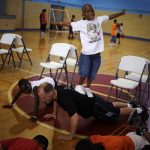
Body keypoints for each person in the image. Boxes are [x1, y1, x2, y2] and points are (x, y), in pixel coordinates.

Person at [51, 4, 126, 98]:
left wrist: (121, 13)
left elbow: (110, 16)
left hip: (97, 54)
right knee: (84, 72)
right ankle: (79, 86)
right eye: (87, 12)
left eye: (91, 11)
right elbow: (68, 23)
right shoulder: (81, 23)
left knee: (92, 73)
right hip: (86, 54)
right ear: (84, 14)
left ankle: (88, 88)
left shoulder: (99, 19)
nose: (90, 13)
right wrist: (54, 23)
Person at [40, 84, 146, 141]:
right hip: (92, 99)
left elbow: (74, 117)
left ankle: (139, 109)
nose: (43, 100)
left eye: (44, 97)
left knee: (116, 113)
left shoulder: (64, 98)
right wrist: (54, 113)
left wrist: (70, 135)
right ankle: (130, 104)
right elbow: (55, 101)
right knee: (109, 105)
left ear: (50, 92)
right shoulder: (58, 89)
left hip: (95, 106)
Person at [75, 131, 150, 150]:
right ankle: (143, 131)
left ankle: (143, 131)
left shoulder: (112, 146)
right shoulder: (93, 139)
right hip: (129, 136)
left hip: (136, 143)